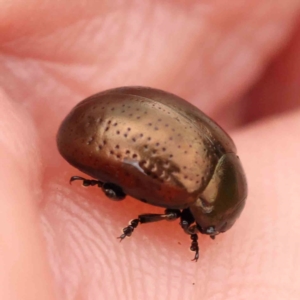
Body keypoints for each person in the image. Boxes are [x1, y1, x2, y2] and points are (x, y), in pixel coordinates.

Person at [0, 2, 299, 299]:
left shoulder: (222, 147)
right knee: (125, 195)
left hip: (108, 116)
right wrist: (142, 222)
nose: (209, 232)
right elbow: (175, 216)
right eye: (210, 228)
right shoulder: (189, 184)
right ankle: (114, 199)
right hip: (96, 128)